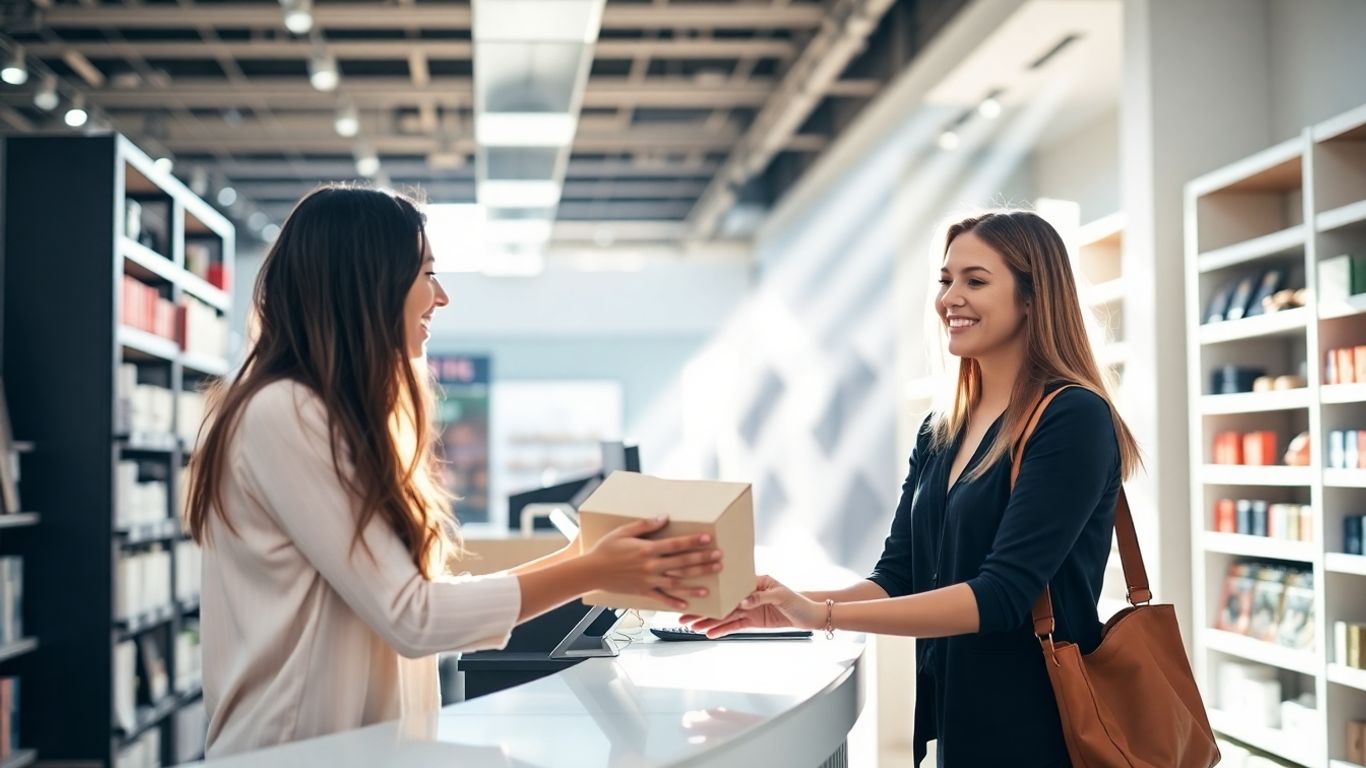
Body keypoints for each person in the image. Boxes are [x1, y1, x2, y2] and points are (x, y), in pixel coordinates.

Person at [184, 185, 724, 757]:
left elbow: (413, 596)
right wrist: (591, 569)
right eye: (426, 275)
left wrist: (590, 560)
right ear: (366, 284)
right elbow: (413, 617)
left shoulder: (319, 412)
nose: (441, 298)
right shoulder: (286, 412)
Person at [684, 210, 1141, 767]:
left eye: (975, 280)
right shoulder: (941, 429)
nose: (950, 297)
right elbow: (897, 576)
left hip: (1042, 729)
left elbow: (1001, 597)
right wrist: (791, 608)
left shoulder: (1071, 417)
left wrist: (823, 617)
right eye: (945, 279)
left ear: (1031, 297)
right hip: (956, 723)